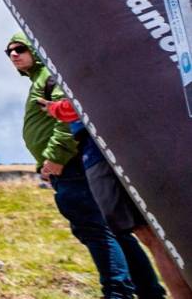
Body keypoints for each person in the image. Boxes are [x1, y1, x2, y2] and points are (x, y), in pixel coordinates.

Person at [9, 33, 139, 298]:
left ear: (34, 48)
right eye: (8, 52)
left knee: (95, 230)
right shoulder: (41, 79)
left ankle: (118, 293)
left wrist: (56, 157)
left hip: (71, 165)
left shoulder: (49, 75)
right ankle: (147, 290)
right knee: (114, 232)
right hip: (71, 166)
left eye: (19, 48)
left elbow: (69, 113)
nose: (13, 55)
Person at [39, 94, 184, 298]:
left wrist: (56, 112)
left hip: (105, 147)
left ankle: (125, 292)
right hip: (113, 143)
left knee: (150, 234)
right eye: (10, 58)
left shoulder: (66, 70)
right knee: (149, 234)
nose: (14, 59)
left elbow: (81, 101)